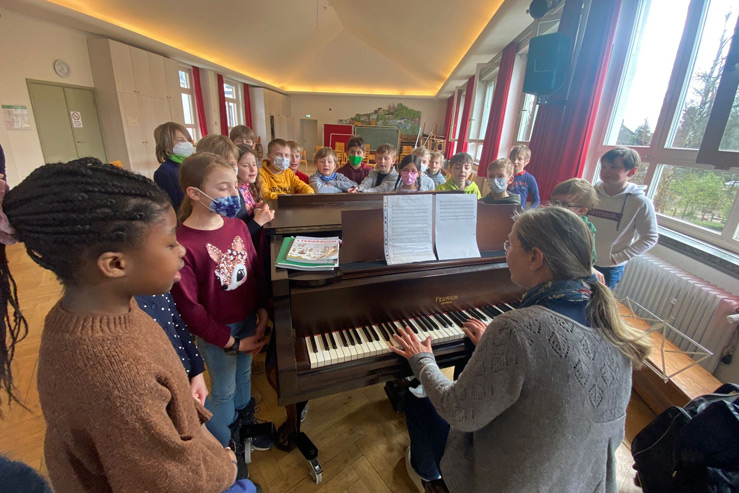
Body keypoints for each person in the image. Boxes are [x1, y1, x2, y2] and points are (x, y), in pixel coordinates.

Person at [0, 159, 253, 492]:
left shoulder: (108, 309)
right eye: (169, 243)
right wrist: (226, 468)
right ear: (115, 264)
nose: (181, 252)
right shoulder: (114, 376)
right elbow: (166, 481)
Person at [392, 207, 650, 493]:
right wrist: (500, 350)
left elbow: (458, 412)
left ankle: (426, 473)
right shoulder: (611, 320)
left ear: (535, 257)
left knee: (418, 396)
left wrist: (424, 360)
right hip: (580, 480)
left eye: (509, 243)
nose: (505, 252)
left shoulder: (516, 327)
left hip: (510, 482)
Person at [171, 152, 273, 479]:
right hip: (220, 332)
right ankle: (221, 447)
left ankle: (244, 425)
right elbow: (191, 310)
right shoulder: (183, 243)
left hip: (246, 318)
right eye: (222, 188)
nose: (232, 195)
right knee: (224, 390)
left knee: (244, 378)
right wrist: (232, 343)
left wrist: (261, 310)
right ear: (194, 193)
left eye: (234, 187)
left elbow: (254, 270)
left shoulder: (238, 226)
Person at [588, 147, 658, 289]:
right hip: (582, 260)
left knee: (599, 307)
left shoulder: (640, 202)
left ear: (631, 171)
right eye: (604, 166)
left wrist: (617, 258)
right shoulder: (590, 194)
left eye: (614, 167)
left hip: (609, 267)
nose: (606, 171)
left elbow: (650, 237)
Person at [153, 122, 194, 210]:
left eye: (188, 140)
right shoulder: (164, 172)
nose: (187, 144)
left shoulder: (192, 165)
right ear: (166, 144)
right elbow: (172, 206)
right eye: (180, 140)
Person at [507, 144, 540, 209]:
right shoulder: (505, 175)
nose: (515, 162)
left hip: (519, 213)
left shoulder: (529, 178)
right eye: (513, 158)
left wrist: (528, 213)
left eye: (519, 159)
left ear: (526, 161)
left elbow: (536, 200)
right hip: (503, 211)